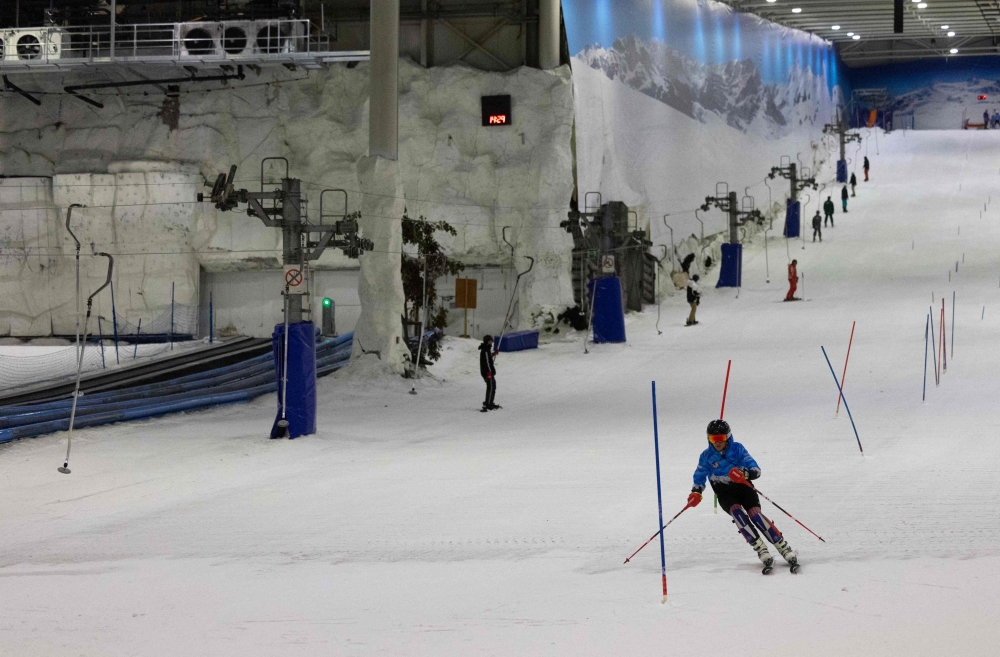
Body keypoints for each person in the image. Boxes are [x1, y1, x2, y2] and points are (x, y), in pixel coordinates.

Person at [686, 420, 798, 573]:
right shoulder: (706, 456)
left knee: (755, 515)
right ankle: (761, 549)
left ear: (728, 437)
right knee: (738, 514)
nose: (717, 443)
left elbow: (755, 469)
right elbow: (699, 475)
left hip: (743, 488)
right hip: (724, 492)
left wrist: (745, 474)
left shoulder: (737, 448)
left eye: (721, 438)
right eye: (713, 439)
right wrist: (696, 491)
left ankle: (783, 547)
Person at [479, 335, 499, 412]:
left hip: (487, 372)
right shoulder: (485, 350)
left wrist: (493, 354)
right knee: (491, 387)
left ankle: (489, 402)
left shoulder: (486, 349)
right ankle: (488, 404)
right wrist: (489, 372)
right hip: (487, 372)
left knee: (492, 386)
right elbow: (487, 362)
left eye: (491, 341)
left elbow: (488, 357)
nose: (491, 342)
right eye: (490, 341)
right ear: (487, 341)